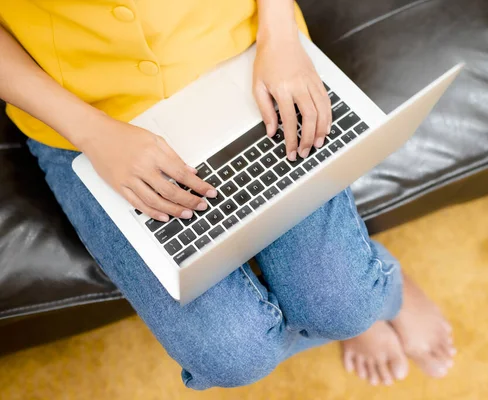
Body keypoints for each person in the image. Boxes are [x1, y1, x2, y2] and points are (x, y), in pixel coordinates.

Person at [0, 0, 455, 388]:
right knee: (234, 358)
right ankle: (376, 282)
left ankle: (376, 296)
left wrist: (278, 35)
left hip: (246, 53)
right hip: (80, 115)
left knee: (346, 307)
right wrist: (90, 132)